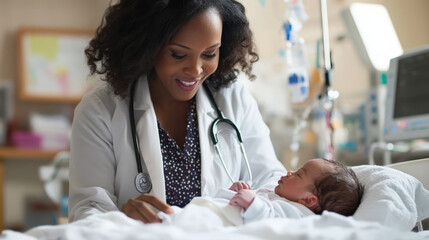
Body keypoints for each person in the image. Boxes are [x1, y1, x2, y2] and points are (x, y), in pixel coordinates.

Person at [69, 0, 286, 223]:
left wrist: (251, 203)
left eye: (210, 54)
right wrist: (122, 219)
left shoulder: (232, 97)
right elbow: (88, 209)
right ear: (148, 45)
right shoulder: (100, 110)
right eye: (178, 55)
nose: (195, 70)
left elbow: (273, 181)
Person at [229, 159, 364, 223]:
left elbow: (274, 223)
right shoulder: (282, 197)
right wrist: (239, 190)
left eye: (298, 174)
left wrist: (252, 204)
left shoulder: (299, 213)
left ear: (308, 200)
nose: (290, 172)